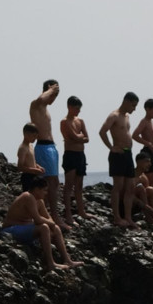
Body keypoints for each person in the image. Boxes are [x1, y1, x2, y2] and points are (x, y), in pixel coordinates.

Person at [2, 176, 84, 272]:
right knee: (44, 227)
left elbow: (48, 218)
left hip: (25, 228)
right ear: (37, 189)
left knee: (56, 228)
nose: (46, 193)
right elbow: (38, 219)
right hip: (10, 230)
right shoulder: (28, 196)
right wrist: (50, 224)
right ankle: (51, 264)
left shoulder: (39, 201)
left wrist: (52, 225)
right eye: (44, 190)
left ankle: (67, 260)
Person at [29, 80, 67, 229]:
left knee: (54, 182)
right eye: (53, 95)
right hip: (43, 147)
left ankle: (49, 215)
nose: (54, 98)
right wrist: (51, 90)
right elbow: (40, 99)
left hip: (50, 147)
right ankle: (52, 217)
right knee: (48, 182)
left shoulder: (45, 109)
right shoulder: (36, 105)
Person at [99, 92, 139, 228]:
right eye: (133, 105)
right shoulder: (114, 116)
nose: (134, 109)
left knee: (130, 187)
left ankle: (128, 217)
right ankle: (117, 217)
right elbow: (102, 131)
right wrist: (111, 147)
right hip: (118, 155)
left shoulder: (127, 117)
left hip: (128, 154)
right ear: (126, 101)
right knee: (118, 186)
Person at [60, 96, 92, 225]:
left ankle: (81, 211)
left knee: (79, 185)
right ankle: (68, 215)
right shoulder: (64, 121)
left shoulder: (80, 121)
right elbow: (74, 137)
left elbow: (87, 138)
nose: (78, 111)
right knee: (69, 185)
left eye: (79, 109)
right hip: (70, 155)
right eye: (76, 108)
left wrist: (78, 137)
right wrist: (79, 137)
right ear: (69, 107)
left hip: (81, 155)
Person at [132, 98, 153, 186]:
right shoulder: (144, 121)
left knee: (152, 178)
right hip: (148, 152)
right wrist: (148, 144)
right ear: (147, 109)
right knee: (148, 179)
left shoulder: (150, 121)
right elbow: (135, 135)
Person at [132, 152, 153, 224]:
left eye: (150, 162)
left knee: (150, 189)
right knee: (140, 188)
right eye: (147, 161)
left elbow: (151, 195)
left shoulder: (143, 177)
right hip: (128, 205)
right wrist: (145, 206)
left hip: (140, 206)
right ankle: (149, 218)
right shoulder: (130, 176)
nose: (150, 164)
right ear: (138, 162)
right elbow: (125, 194)